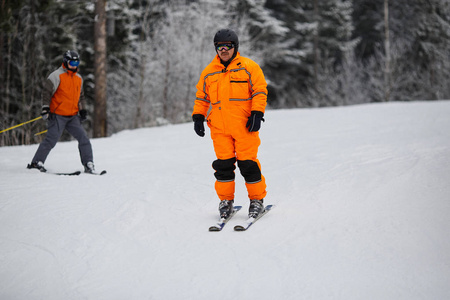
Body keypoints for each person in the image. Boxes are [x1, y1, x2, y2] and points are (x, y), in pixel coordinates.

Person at [192, 29, 268, 219]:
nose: (223, 50)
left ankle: (257, 200)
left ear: (235, 47)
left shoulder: (249, 67)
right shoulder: (209, 72)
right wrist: (198, 117)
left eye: (228, 46)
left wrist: (257, 113)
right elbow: (202, 98)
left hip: (244, 126)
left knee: (248, 164)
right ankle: (226, 201)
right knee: (223, 166)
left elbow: (260, 90)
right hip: (219, 128)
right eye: (220, 47)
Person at [27, 50, 96, 173]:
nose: (74, 66)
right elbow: (46, 93)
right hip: (58, 115)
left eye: (77, 63)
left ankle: (88, 164)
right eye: (72, 63)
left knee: (84, 138)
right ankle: (36, 162)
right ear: (65, 62)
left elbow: (81, 96)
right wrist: (45, 108)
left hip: (73, 116)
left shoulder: (78, 78)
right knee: (51, 139)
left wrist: (83, 110)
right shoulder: (56, 76)